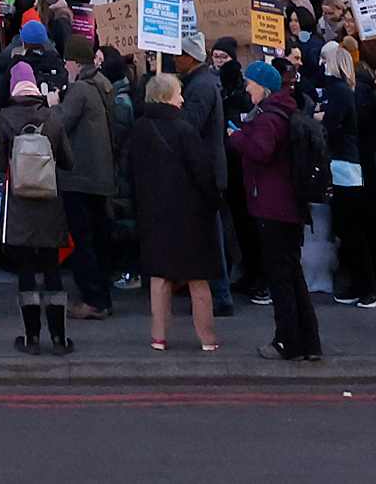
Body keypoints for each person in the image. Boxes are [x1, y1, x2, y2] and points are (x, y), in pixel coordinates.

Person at [122, 69, 221, 354]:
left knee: (159, 277)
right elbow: (202, 172)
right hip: (189, 213)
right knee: (198, 280)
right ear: (166, 97)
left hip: (153, 212)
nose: (182, 100)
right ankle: (207, 338)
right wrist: (214, 200)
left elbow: (128, 168)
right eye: (178, 94)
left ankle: (159, 337)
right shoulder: (184, 129)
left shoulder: (139, 127)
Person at [228, 61, 322, 361]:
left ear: (264, 87)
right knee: (293, 276)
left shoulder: (268, 118)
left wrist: (236, 137)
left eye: (251, 83)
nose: (247, 88)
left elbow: (261, 150)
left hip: (273, 207)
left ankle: (287, 342)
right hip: (289, 206)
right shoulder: (284, 111)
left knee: (281, 278)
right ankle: (309, 342)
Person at [0, 62, 71, 355]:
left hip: (20, 205)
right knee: (51, 268)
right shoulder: (52, 116)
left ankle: (32, 338)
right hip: (50, 202)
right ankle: (60, 340)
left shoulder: (5, 117)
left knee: (25, 269)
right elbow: (68, 161)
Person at [51, 47, 122, 321]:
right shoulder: (103, 86)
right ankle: (102, 296)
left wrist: (53, 102)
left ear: (72, 61)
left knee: (83, 241)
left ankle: (93, 300)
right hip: (101, 175)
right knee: (99, 238)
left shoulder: (80, 90)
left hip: (80, 176)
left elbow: (59, 123)